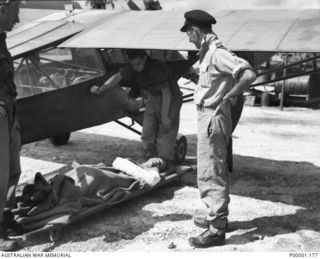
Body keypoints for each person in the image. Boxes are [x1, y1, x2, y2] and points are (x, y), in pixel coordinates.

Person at [180, 10, 256, 248]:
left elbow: (249, 74)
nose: (188, 39)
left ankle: (216, 230)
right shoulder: (207, 54)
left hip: (213, 115)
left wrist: (230, 96)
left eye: (188, 33)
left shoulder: (217, 53)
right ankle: (216, 216)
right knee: (209, 168)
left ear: (195, 30)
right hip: (207, 115)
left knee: (212, 171)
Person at [91, 49, 182, 169]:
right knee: (147, 131)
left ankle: (163, 162)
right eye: (133, 64)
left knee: (166, 129)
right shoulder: (132, 67)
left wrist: (165, 115)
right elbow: (117, 77)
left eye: (138, 64)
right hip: (152, 95)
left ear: (144, 58)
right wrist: (101, 88)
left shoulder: (157, 68)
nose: (136, 67)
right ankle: (150, 157)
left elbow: (167, 93)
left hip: (170, 98)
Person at [0, 0, 21, 251]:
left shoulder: (2, 38)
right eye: (16, 12)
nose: (18, 19)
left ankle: (6, 218)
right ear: (2, 8)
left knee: (12, 170)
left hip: (10, 109)